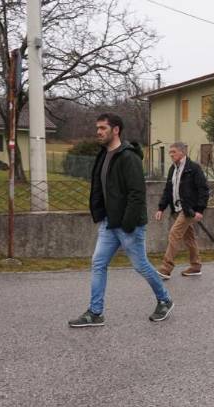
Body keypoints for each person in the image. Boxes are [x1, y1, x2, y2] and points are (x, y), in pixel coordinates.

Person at [68, 113, 173, 328]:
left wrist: (127, 223)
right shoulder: (104, 155)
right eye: (97, 128)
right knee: (98, 263)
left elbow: (137, 193)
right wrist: (101, 214)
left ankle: (165, 300)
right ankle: (95, 312)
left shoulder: (128, 157)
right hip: (109, 222)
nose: (98, 132)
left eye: (103, 128)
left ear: (116, 130)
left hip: (128, 225)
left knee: (140, 265)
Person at [155, 142, 209, 279]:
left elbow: (203, 189)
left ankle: (166, 268)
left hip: (188, 209)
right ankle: (196, 266)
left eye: (173, 152)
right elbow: (168, 190)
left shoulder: (193, 168)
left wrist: (200, 210)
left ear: (182, 152)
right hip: (176, 209)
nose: (170, 154)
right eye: (170, 152)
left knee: (174, 234)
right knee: (189, 238)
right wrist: (161, 208)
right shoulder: (172, 169)